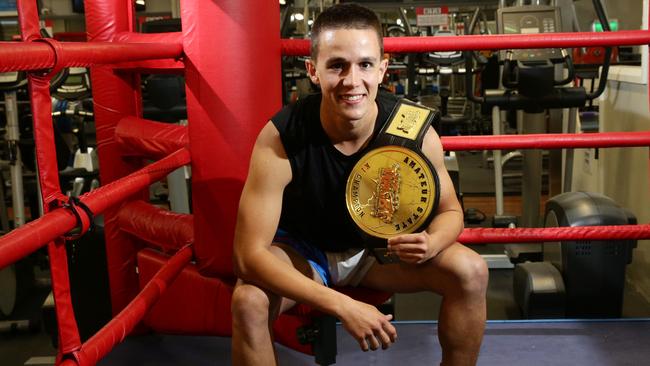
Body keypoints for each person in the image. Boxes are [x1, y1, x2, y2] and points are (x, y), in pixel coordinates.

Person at [231, 4, 488, 366]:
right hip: (305, 255)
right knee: (248, 301)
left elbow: (450, 212)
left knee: (471, 270)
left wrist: (431, 242)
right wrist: (342, 304)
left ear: (382, 69)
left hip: (379, 252)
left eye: (365, 64)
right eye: (337, 65)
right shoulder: (283, 135)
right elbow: (247, 255)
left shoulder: (411, 128)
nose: (353, 81)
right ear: (313, 71)